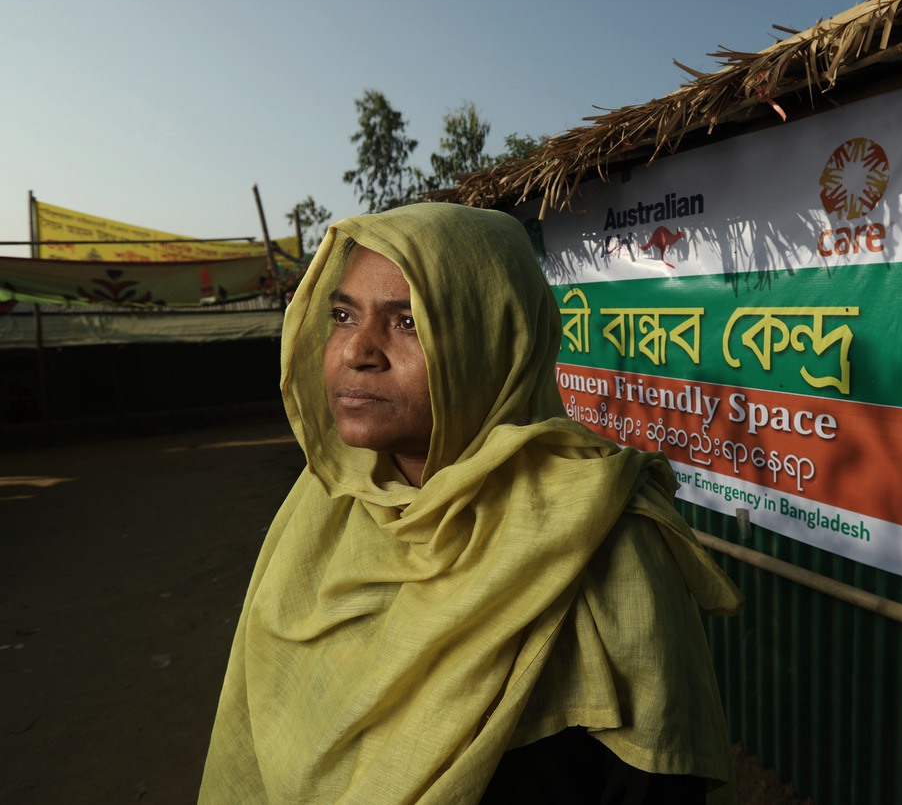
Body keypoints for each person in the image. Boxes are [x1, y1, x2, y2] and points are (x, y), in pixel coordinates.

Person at [199, 203, 743, 804]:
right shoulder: (327, 506)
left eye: (407, 322)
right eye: (343, 315)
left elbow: (651, 784)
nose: (358, 351)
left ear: (494, 340)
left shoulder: (603, 538)